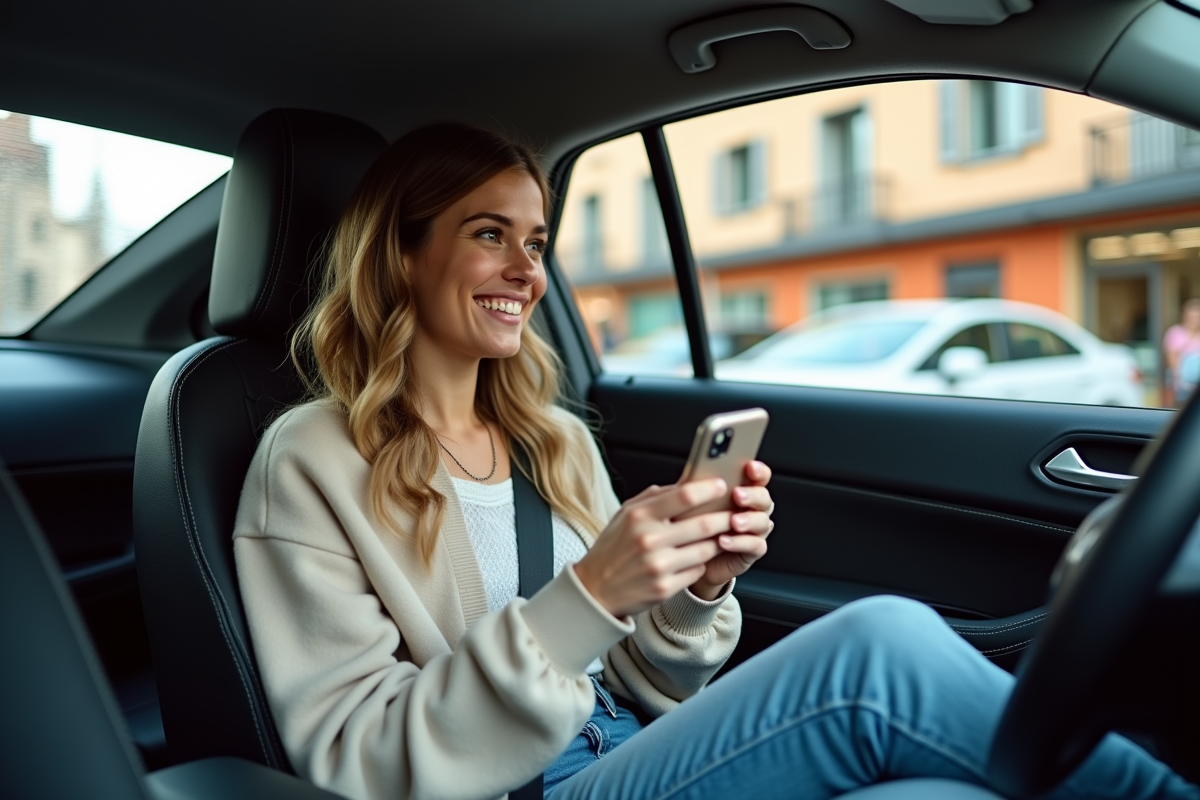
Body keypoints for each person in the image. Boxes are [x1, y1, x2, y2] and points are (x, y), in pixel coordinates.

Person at [232, 122, 1199, 800]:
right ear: (401, 256)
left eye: (536, 240)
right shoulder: (314, 459)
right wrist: (590, 597)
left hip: (629, 754)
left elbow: (649, 687)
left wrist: (694, 592)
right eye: (490, 236)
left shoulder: (551, 436)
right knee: (876, 651)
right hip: (517, 792)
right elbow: (356, 761)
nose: (530, 271)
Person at [1163, 298, 1200, 409]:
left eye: (1197, 316)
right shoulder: (1175, 333)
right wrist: (1182, 379)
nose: (1195, 319)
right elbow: (1172, 358)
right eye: (1192, 316)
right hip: (1181, 387)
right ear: (1185, 315)